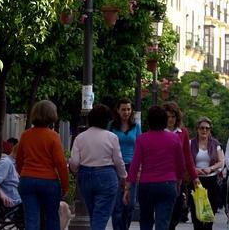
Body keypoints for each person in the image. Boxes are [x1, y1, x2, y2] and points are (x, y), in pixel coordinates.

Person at [0, 138, 72, 230]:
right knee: (62, 208)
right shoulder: (6, 163)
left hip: (21, 204)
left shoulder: (15, 165)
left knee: (63, 208)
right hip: (18, 207)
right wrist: (1, 194)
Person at [125, 105, 186, 230]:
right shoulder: (174, 139)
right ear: (164, 120)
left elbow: (135, 164)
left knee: (146, 220)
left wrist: (128, 187)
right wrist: (179, 181)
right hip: (168, 183)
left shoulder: (142, 139)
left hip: (146, 184)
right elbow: (180, 164)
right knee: (163, 222)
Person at [69, 104, 127, 230]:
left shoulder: (80, 138)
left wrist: (75, 170)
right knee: (100, 214)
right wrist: (124, 177)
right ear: (107, 120)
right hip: (106, 175)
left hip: (85, 175)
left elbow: (74, 162)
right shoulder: (112, 137)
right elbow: (118, 160)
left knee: (93, 213)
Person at [16, 100, 69, 230]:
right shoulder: (53, 136)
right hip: (49, 181)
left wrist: (24, 174)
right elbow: (61, 164)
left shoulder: (25, 135)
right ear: (52, 115)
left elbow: (19, 160)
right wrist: (65, 186)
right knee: (52, 218)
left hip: (27, 180)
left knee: (31, 219)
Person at [163, 101, 200, 229]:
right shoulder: (159, 131)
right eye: (168, 116)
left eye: (173, 116)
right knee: (164, 210)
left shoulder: (182, 132)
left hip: (178, 176)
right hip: (162, 175)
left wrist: (195, 177)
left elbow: (187, 156)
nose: (171, 120)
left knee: (177, 209)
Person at [109, 98, 142, 230]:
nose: (126, 112)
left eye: (128, 109)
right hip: (115, 167)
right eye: (123, 109)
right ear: (118, 110)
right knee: (117, 205)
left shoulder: (136, 127)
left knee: (130, 204)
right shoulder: (111, 126)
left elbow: (140, 147)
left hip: (131, 167)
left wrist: (140, 168)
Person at [187, 117, 225, 230]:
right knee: (196, 212)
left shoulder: (215, 144)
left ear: (210, 130)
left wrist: (211, 168)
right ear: (197, 129)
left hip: (211, 180)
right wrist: (195, 170)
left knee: (209, 213)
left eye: (207, 128)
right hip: (196, 180)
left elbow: (221, 161)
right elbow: (186, 161)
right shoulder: (190, 143)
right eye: (202, 128)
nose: (204, 131)